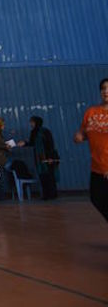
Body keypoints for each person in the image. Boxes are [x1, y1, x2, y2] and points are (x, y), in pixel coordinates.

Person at [73, 78, 108, 222]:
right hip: (97, 166)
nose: (106, 91)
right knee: (97, 198)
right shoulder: (91, 112)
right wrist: (80, 136)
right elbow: (85, 132)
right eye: (103, 88)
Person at [18, 116, 59, 200]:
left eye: (32, 122)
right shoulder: (34, 132)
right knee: (42, 175)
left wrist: (50, 157)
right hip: (39, 157)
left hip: (47, 156)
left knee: (49, 175)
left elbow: (50, 144)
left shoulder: (45, 131)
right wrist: (24, 143)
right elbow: (32, 143)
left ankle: (52, 194)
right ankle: (46, 194)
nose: (30, 124)